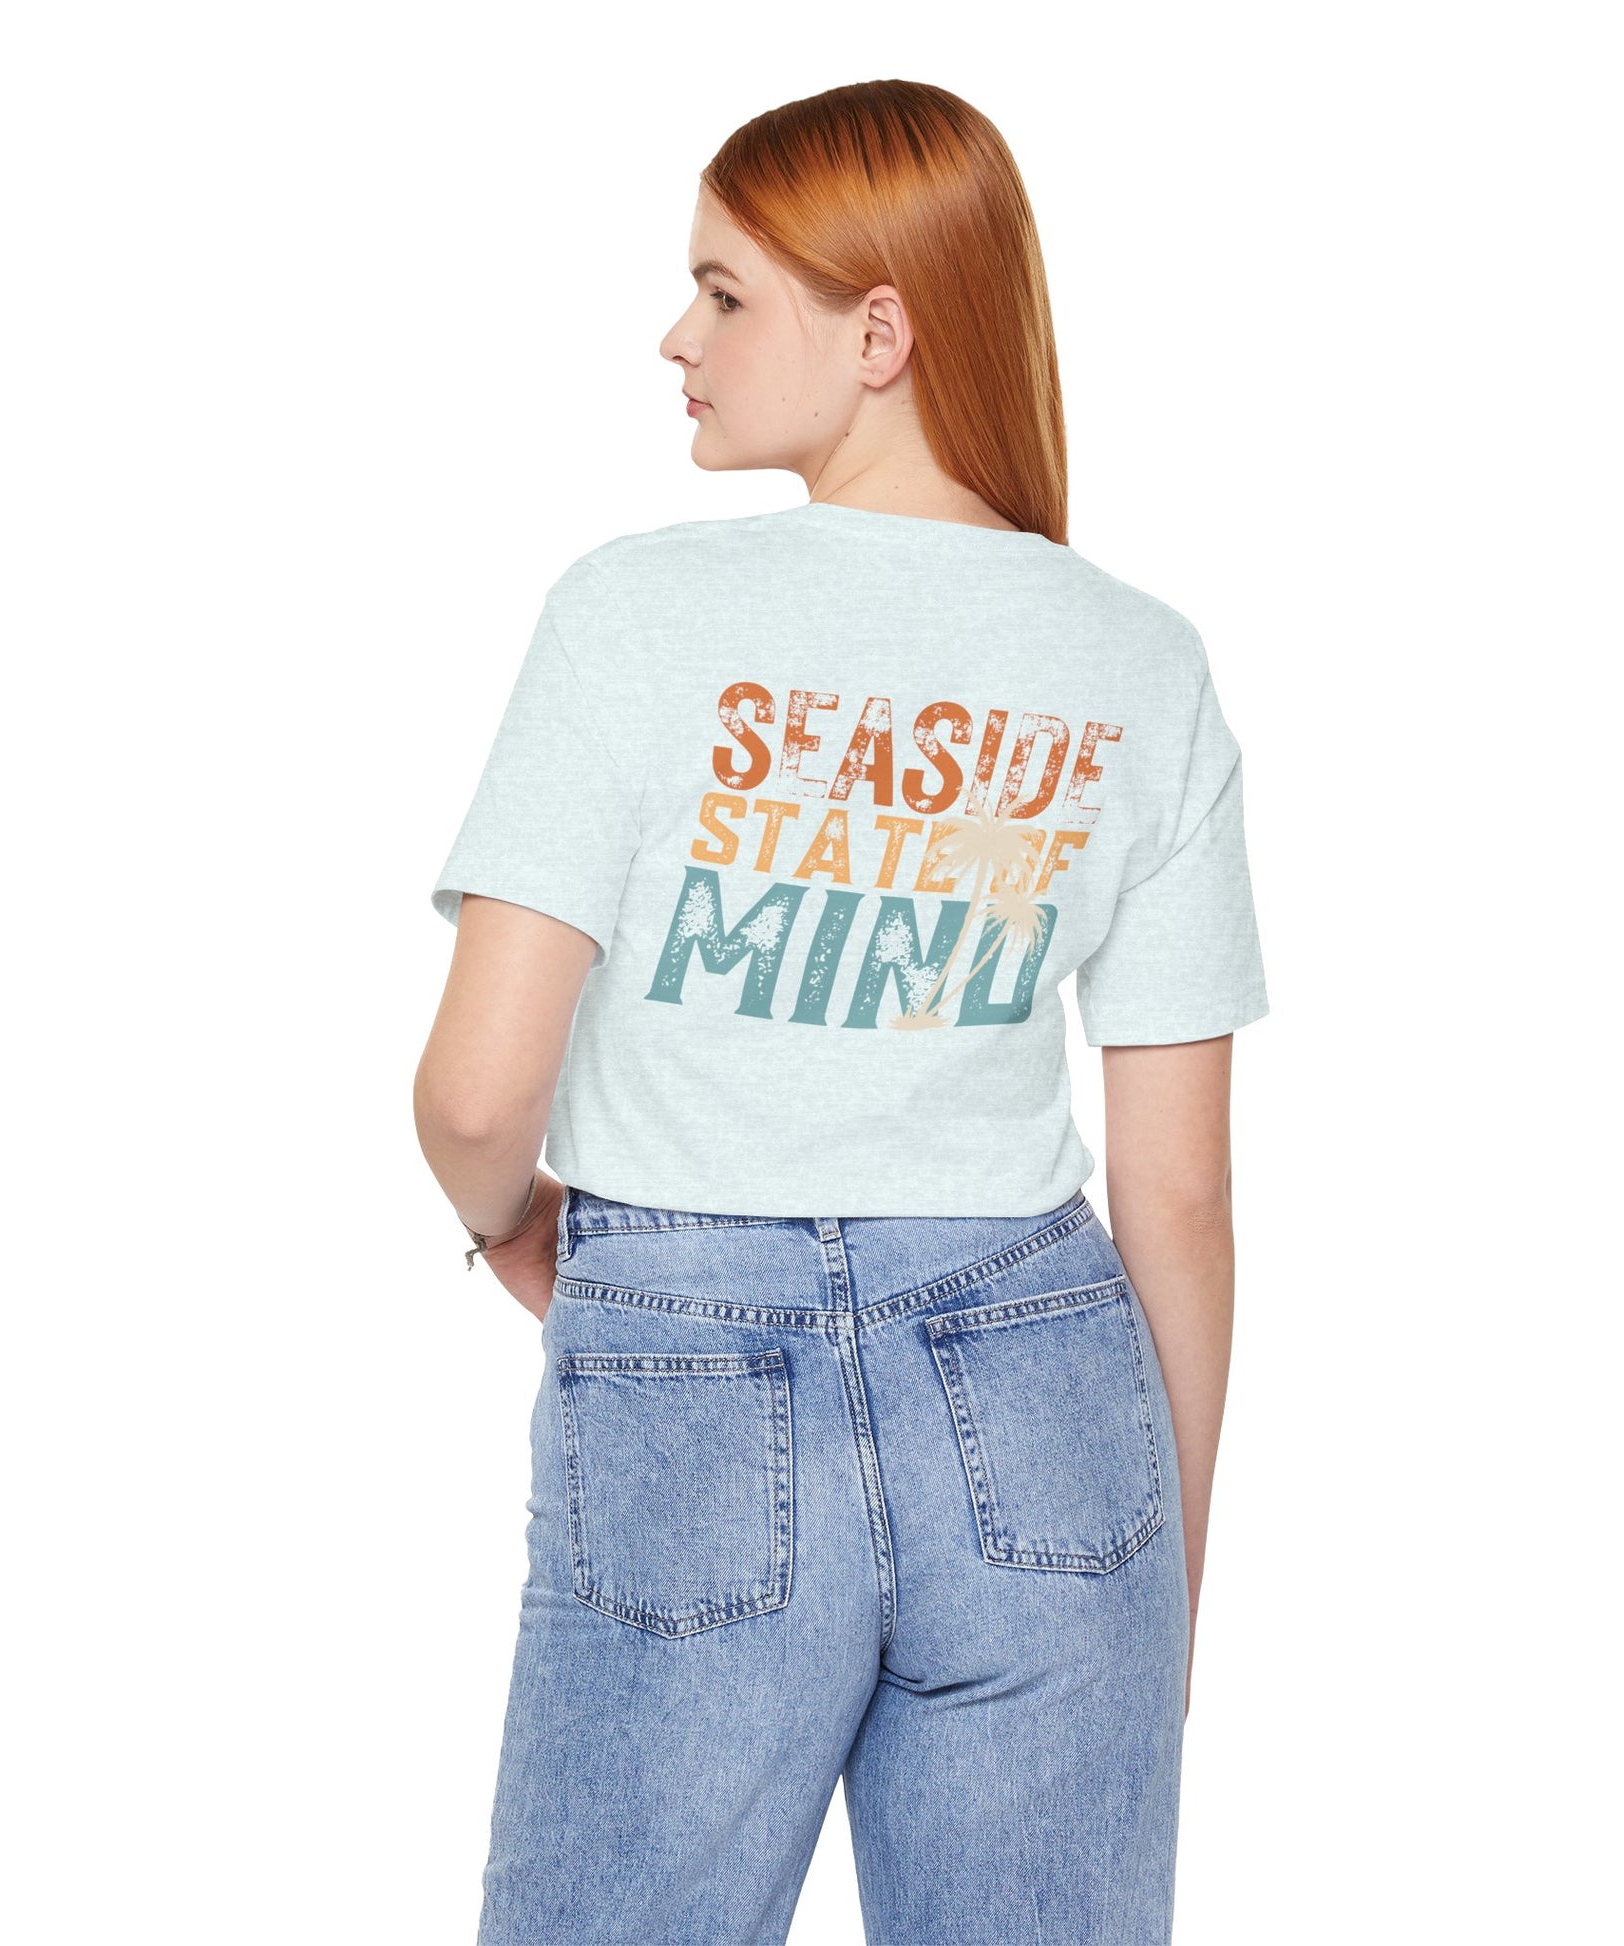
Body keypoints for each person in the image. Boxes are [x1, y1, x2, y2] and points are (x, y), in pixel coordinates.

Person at [413, 77, 1269, 1946]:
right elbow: (1181, 1199)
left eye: (724, 293)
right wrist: (1162, 1581)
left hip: (686, 1373)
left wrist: (517, 1231)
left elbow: (477, 1095)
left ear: (878, 333)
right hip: (1049, 1402)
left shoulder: (631, 615)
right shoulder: (1140, 661)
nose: (677, 337)